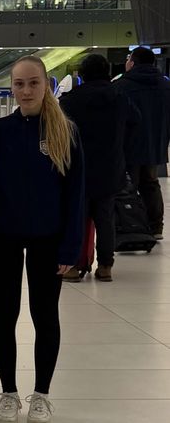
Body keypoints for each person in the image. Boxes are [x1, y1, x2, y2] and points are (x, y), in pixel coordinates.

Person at [0, 55, 85, 423]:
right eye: (19, 84)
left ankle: (41, 394)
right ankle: (8, 392)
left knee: (45, 315)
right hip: (3, 236)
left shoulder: (66, 131)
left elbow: (76, 193)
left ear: (47, 85)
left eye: (33, 83)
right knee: (4, 313)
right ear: (11, 88)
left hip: (49, 238)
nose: (26, 90)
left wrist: (71, 246)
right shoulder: (0, 131)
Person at [60, 53, 139, 281]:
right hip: (110, 166)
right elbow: (136, 121)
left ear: (83, 74)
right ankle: (105, 266)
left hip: (78, 168)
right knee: (105, 219)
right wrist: (122, 147)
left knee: (77, 218)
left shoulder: (70, 101)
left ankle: (73, 265)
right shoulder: (120, 97)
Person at [115, 46, 170, 239]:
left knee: (128, 185)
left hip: (128, 144)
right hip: (156, 143)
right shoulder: (165, 85)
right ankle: (156, 227)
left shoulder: (122, 85)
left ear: (132, 63)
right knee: (151, 183)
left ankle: (131, 227)